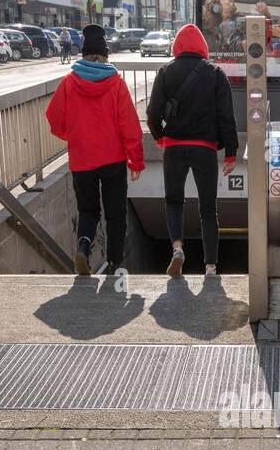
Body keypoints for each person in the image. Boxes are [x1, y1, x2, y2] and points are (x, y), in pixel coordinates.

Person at [45, 25, 145, 276]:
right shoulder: (116, 84)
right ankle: (114, 264)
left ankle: (83, 247)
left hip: (82, 160)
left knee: (88, 211)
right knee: (115, 214)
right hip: (113, 159)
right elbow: (130, 126)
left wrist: (74, 137)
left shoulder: (68, 83)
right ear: (105, 55)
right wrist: (136, 161)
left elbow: (54, 118)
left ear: (84, 54)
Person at [146, 23, 238, 277]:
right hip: (205, 149)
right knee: (208, 208)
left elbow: (152, 114)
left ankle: (177, 249)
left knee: (174, 201)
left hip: (174, 147)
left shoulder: (165, 72)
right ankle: (210, 266)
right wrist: (231, 153)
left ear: (176, 45)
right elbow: (226, 117)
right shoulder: (216, 74)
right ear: (202, 47)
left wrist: (159, 138)